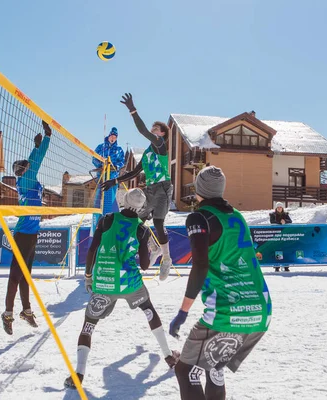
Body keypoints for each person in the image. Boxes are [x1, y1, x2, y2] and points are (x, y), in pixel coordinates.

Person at [168, 166, 271, 400]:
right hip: (260, 310)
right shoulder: (237, 215)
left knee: (186, 371)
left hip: (227, 310)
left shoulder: (199, 217)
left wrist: (183, 312)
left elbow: (201, 266)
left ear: (199, 189)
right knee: (213, 367)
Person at [63, 188, 180, 390]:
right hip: (129, 283)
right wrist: (155, 255)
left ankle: (79, 373)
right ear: (142, 207)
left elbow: (92, 250)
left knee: (89, 325)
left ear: (124, 201)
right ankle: (168, 357)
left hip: (103, 281)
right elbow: (144, 265)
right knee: (149, 311)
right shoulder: (141, 229)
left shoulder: (106, 219)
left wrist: (88, 276)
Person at [101, 93, 173, 280]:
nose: (152, 130)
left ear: (162, 133)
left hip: (163, 187)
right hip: (150, 189)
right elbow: (135, 172)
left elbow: (143, 131)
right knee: (137, 221)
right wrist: (115, 180)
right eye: (153, 128)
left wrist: (133, 110)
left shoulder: (160, 145)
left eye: (156, 129)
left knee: (158, 222)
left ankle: (166, 259)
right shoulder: (149, 152)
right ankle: (154, 247)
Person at [1, 120, 51, 335]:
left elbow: (33, 161)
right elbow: (36, 161)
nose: (30, 166)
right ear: (23, 170)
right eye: (27, 166)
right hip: (23, 234)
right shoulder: (25, 179)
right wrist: (46, 138)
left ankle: (26, 311)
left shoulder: (28, 180)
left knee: (25, 275)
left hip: (31, 234)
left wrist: (36, 146)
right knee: (15, 275)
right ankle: (8, 313)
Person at [91, 127, 125, 236]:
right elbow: (94, 158)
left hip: (113, 179)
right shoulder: (101, 147)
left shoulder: (119, 150)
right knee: (99, 201)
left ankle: (112, 226)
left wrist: (116, 166)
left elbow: (122, 162)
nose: (113, 138)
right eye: (112, 136)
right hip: (101, 177)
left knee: (111, 202)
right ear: (109, 136)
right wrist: (100, 164)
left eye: (115, 137)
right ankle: (96, 225)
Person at [269, 202, 292, 272]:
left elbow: (290, 221)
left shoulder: (285, 214)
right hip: (276, 234)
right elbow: (272, 221)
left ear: (282, 208)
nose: (279, 208)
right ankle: (277, 266)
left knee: (285, 249)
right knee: (277, 249)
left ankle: (286, 266)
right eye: (278, 207)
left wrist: (285, 221)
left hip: (284, 235)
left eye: (280, 207)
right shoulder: (273, 214)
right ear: (276, 208)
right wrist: (280, 223)